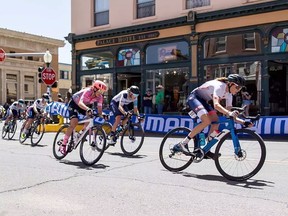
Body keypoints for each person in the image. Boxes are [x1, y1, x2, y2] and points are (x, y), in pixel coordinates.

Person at [173, 74, 253, 160]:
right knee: (206, 121)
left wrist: (243, 122)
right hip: (194, 98)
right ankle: (183, 143)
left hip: (203, 101)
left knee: (215, 122)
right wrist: (229, 113)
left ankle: (206, 149)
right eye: (237, 87)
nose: (238, 90)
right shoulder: (220, 86)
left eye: (240, 88)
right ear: (230, 84)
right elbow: (216, 105)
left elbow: (229, 113)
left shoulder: (229, 95)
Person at [59, 80, 107, 155]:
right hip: (74, 104)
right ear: (94, 89)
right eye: (100, 91)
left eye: (103, 92)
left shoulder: (100, 97)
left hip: (84, 106)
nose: (101, 93)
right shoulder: (88, 91)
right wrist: (88, 109)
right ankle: (63, 144)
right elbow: (80, 103)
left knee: (90, 117)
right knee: (74, 122)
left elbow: (99, 110)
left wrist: (103, 115)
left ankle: (81, 133)